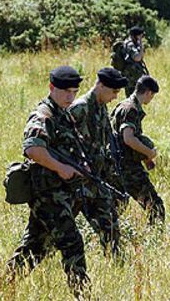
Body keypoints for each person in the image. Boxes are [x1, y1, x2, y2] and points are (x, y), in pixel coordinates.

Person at [6, 66, 90, 295]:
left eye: (74, 91)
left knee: (35, 246)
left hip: (59, 192)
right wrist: (61, 168)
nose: (70, 97)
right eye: (65, 91)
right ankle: (83, 294)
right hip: (47, 194)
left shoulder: (64, 114)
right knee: (72, 242)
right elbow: (32, 148)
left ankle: (6, 284)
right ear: (52, 88)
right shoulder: (44, 115)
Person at [68, 67, 128, 256]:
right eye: (113, 92)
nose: (115, 97)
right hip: (75, 184)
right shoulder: (79, 108)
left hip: (95, 182)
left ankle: (118, 271)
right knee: (53, 237)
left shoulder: (102, 109)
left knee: (110, 230)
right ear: (100, 86)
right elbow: (60, 143)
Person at [110, 76, 165, 225]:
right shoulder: (131, 109)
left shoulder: (123, 105)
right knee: (155, 206)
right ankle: (156, 241)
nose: (151, 99)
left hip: (116, 164)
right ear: (148, 93)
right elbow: (128, 139)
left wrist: (146, 160)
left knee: (116, 206)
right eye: (152, 95)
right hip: (127, 166)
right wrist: (149, 152)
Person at [122, 26, 149, 98]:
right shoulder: (130, 44)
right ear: (135, 35)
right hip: (130, 76)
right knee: (131, 97)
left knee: (137, 97)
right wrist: (140, 43)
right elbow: (137, 58)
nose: (141, 37)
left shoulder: (134, 43)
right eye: (140, 35)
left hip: (134, 75)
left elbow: (141, 56)